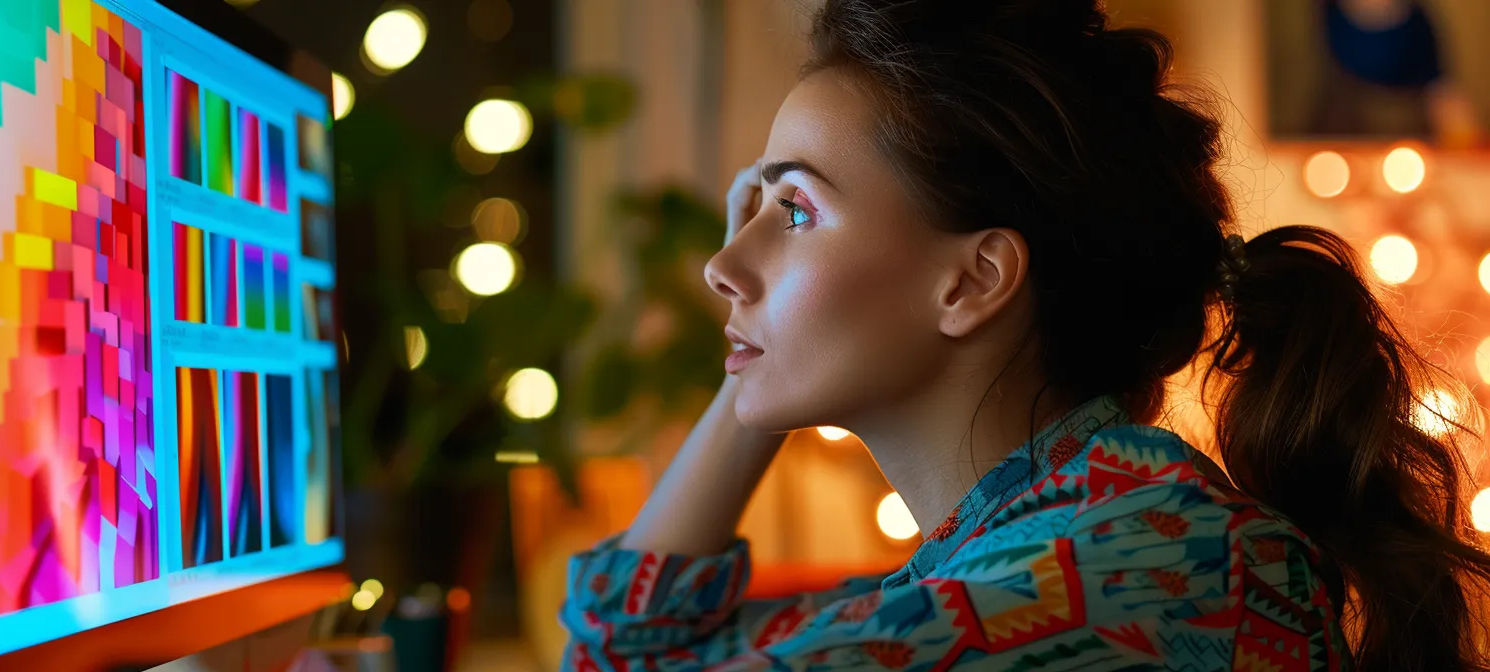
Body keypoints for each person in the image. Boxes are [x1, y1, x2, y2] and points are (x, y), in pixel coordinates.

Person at [559, 0, 1490, 670]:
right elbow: (623, 648)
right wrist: (752, 360)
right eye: (750, 206)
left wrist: (761, 344)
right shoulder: (1048, 553)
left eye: (793, 211)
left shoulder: (1136, 577)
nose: (723, 265)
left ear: (973, 279)